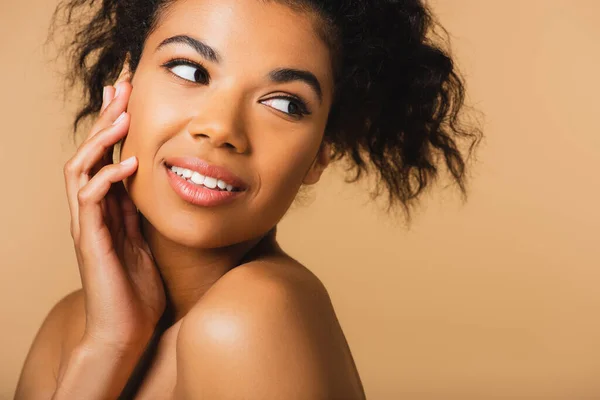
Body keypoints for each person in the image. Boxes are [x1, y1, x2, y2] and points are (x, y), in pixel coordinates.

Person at [15, 0, 481, 398]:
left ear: (321, 153)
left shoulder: (249, 321)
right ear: (123, 84)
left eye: (284, 103)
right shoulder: (75, 325)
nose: (220, 129)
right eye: (190, 70)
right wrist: (108, 346)